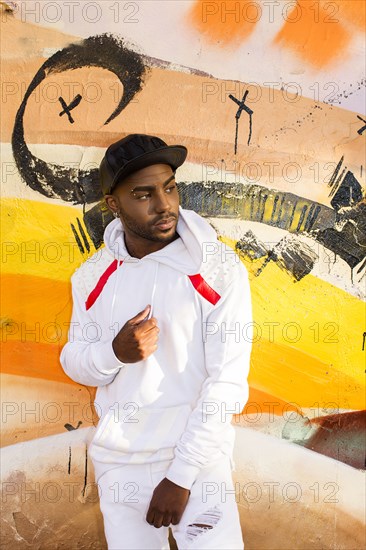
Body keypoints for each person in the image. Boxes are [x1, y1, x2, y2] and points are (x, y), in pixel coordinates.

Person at [60, 134, 253, 550]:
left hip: (198, 465)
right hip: (121, 464)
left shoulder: (216, 269)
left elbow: (228, 383)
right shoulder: (93, 277)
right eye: (143, 194)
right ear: (114, 204)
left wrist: (181, 476)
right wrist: (114, 353)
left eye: (169, 187)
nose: (164, 205)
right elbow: (73, 360)